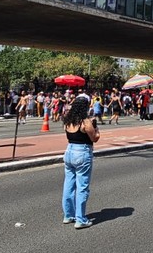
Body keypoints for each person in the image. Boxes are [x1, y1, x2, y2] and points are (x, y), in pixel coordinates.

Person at [62, 95, 100, 229]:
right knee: (82, 186)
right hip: (82, 152)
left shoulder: (68, 120)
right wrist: (97, 129)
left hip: (69, 151)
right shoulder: (85, 121)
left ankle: (68, 215)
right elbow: (94, 138)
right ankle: (80, 219)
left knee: (69, 184)